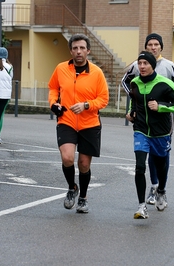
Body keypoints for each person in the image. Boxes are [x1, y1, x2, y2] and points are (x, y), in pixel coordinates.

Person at [122, 33, 174, 206]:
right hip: (143, 119)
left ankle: (161, 188)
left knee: (161, 154)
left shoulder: (169, 66)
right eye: (150, 45)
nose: (153, 47)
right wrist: (136, 104)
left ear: (161, 47)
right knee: (146, 152)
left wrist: (162, 103)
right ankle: (154, 186)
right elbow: (126, 82)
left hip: (164, 116)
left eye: (156, 45)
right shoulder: (138, 66)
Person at [48, 34, 109, 214]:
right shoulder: (61, 69)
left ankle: (83, 197)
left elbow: (104, 99)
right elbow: (53, 88)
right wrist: (53, 104)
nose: (78, 51)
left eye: (82, 48)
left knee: (83, 163)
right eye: (75, 48)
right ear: (71, 51)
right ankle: (71, 188)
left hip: (89, 123)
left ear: (88, 50)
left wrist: (86, 105)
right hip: (66, 120)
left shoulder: (96, 73)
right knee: (67, 157)